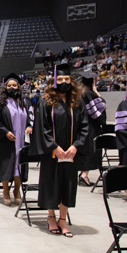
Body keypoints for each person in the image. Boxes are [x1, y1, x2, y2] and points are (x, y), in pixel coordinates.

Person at [32, 63, 89, 238]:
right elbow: (42, 127)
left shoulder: (78, 102)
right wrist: (54, 147)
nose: (64, 82)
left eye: (66, 79)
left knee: (68, 184)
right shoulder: (45, 102)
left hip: (71, 154)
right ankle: (51, 217)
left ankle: (62, 219)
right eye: (60, 79)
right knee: (52, 183)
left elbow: (85, 127)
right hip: (52, 153)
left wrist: (75, 146)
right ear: (53, 82)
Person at [0, 74, 32, 205]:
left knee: (20, 167)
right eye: (9, 85)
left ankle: (17, 191)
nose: (11, 87)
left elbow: (31, 118)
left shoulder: (25, 102)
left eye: (14, 85)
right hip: (6, 140)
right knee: (6, 165)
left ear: (19, 87)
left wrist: (29, 126)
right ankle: (5, 191)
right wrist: (5, 132)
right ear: (5, 87)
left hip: (22, 140)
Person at [76, 72, 107, 187]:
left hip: (80, 126)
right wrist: (98, 94)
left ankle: (82, 174)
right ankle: (84, 175)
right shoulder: (89, 94)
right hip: (90, 127)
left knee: (83, 150)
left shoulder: (79, 94)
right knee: (90, 150)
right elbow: (98, 111)